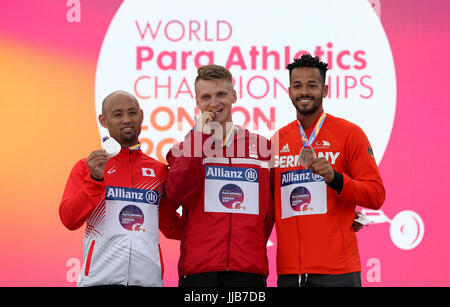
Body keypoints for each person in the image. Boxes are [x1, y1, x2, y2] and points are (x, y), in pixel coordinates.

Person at [272, 54, 386, 287]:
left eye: (312, 85)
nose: (304, 91)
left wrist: (335, 178)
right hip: (290, 272)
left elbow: (376, 195)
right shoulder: (277, 140)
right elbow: (268, 203)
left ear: (324, 90)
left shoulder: (349, 133)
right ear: (289, 91)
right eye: (297, 86)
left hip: (337, 271)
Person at [164, 65, 274, 287]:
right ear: (197, 102)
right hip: (198, 270)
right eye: (206, 96)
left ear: (234, 95)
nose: (214, 103)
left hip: (247, 268)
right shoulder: (184, 148)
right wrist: (193, 236)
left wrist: (249, 241)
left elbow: (270, 211)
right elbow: (176, 193)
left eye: (221, 94)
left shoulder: (263, 147)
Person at [59, 90, 181, 287]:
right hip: (99, 281)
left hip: (148, 282)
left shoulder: (159, 171)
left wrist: (208, 231)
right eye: (118, 114)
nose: (126, 119)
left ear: (141, 115)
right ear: (103, 120)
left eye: (132, 113)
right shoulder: (87, 167)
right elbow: (69, 219)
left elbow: (170, 224)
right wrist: (95, 179)